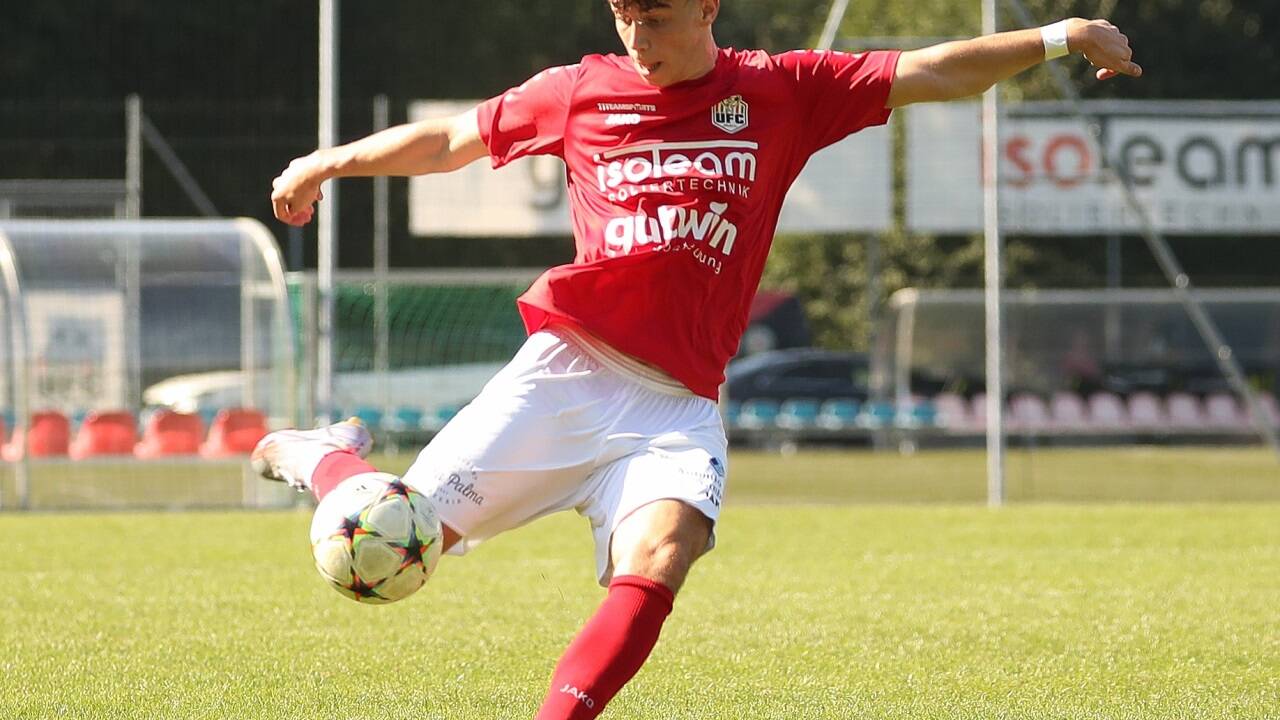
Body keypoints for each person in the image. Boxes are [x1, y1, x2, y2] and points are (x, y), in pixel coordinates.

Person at [263, 2, 1140, 717]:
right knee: (395, 556)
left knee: (664, 554)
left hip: (677, 405)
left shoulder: (780, 89)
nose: (638, 38)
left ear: (708, 9)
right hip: (567, 375)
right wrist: (326, 162)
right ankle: (322, 455)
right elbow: (454, 141)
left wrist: (1059, 36)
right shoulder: (579, 92)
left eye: (657, 17)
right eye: (625, 18)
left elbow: (933, 71)